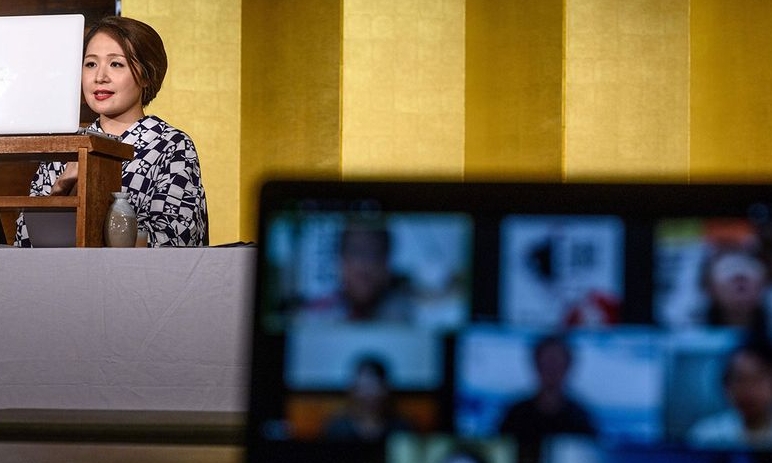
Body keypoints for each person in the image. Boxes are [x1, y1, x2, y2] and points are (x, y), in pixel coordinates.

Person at [14, 16, 207, 247]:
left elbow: (176, 241)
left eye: (116, 64)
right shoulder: (63, 146)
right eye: (90, 64)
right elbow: (24, 243)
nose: (100, 77)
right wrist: (60, 190)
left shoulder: (172, 145)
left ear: (147, 74)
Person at [498, 334, 596, 463]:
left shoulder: (581, 418)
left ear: (567, 366)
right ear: (536, 365)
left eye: (557, 363)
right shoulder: (515, 415)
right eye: (547, 362)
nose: (552, 369)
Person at [295, 221, 414, 323]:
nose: (363, 264)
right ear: (340, 259)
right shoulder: (313, 317)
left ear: (386, 262)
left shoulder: (409, 317)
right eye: (355, 251)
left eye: (373, 253)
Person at [688, 341, 772, 449]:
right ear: (726, 385)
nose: (748, 389)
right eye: (739, 380)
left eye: (757, 379)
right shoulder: (706, 437)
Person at [323, 356, 412, 442]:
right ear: (353, 390)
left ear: (385, 389)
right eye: (364, 387)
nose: (369, 394)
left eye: (374, 387)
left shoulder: (400, 428)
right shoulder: (338, 429)